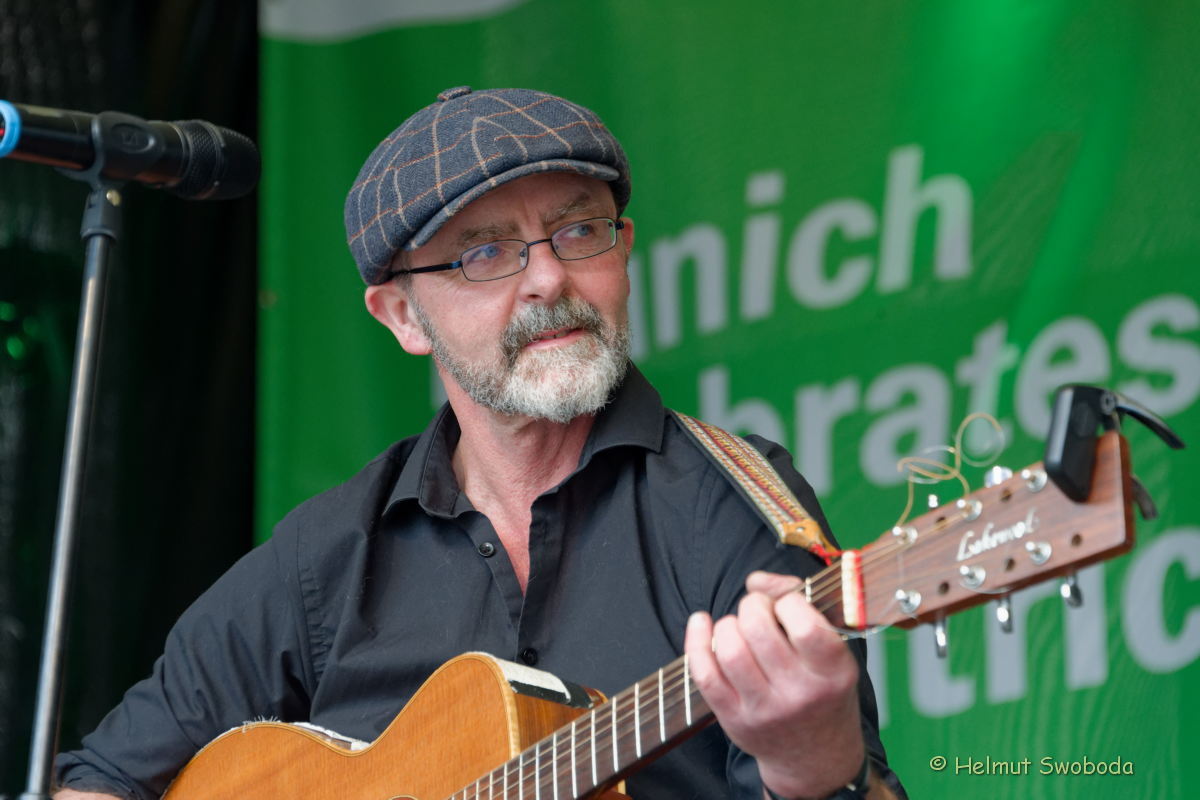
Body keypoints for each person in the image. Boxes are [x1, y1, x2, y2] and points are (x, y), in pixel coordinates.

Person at [54, 87, 906, 800]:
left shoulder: (730, 503)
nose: (548, 278)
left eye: (579, 232)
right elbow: (102, 780)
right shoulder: (327, 558)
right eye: (485, 254)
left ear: (624, 250)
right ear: (402, 316)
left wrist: (812, 758)